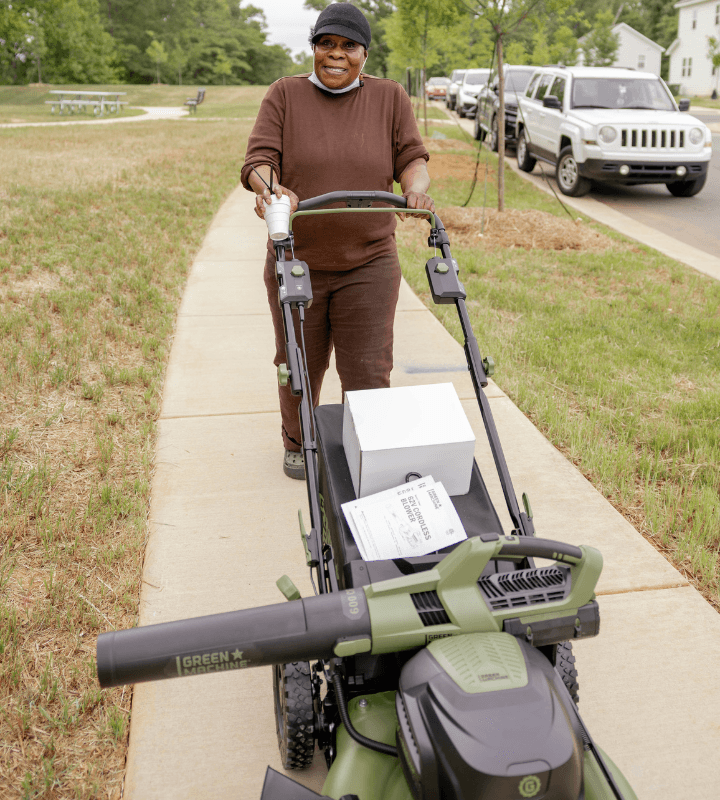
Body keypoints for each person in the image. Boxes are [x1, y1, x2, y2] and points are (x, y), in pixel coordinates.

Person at [241, 2, 435, 479]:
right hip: (296, 260)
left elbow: (412, 157)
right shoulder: (285, 94)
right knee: (298, 364)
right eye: (326, 43)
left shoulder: (389, 97)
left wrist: (415, 188)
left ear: (364, 53)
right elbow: (259, 161)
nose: (336, 54)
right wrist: (270, 188)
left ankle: (363, 450)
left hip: (370, 261)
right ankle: (299, 442)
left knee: (369, 371)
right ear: (313, 48)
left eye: (348, 45)